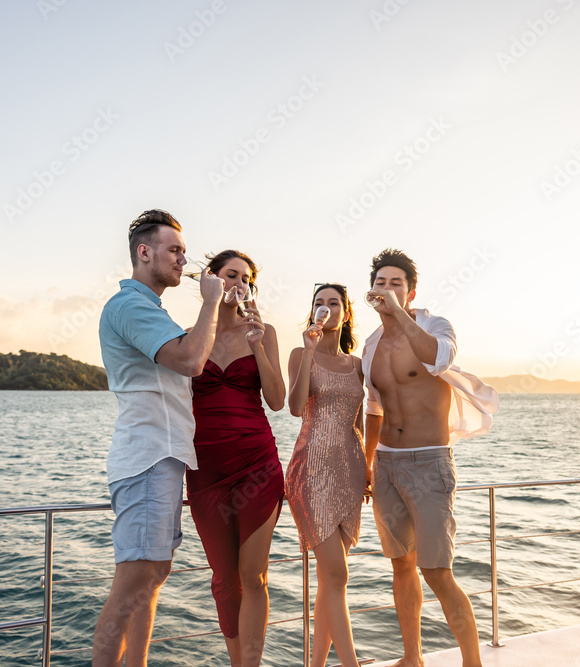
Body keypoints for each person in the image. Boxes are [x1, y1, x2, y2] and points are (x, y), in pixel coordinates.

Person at [92, 210, 224, 667]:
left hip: (162, 457)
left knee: (153, 575)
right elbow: (191, 361)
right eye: (174, 250)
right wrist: (210, 301)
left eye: (184, 251)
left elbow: (192, 354)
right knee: (134, 582)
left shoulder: (151, 310)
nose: (183, 260)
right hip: (148, 456)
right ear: (143, 252)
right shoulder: (130, 306)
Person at [362, 249, 499, 667]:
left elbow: (439, 358)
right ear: (371, 290)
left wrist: (400, 314)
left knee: (437, 570)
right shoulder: (370, 346)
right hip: (386, 465)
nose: (387, 290)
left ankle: (472, 663)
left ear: (412, 291)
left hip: (429, 462)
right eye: (380, 283)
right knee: (400, 565)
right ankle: (412, 658)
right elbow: (373, 406)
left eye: (396, 283)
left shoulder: (433, 325)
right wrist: (367, 464)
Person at [186, 250, 287, 666]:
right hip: (206, 470)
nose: (239, 284)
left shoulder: (265, 331)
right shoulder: (190, 336)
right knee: (225, 580)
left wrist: (258, 346)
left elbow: (278, 401)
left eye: (247, 278)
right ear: (211, 280)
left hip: (257, 465)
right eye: (231, 275)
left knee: (253, 577)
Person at [286, 283, 367, 667]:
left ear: (346, 313)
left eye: (334, 303)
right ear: (313, 312)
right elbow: (295, 406)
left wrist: (366, 470)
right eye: (319, 303)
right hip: (311, 471)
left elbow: (360, 423)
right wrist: (311, 350)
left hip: (349, 473)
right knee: (337, 574)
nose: (326, 308)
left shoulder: (357, 365)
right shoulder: (302, 353)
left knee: (329, 582)